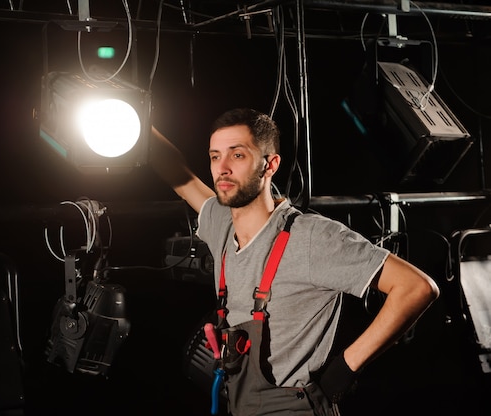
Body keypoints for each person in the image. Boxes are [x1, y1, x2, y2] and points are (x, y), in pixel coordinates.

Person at [149, 108, 440, 416]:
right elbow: (180, 177)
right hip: (242, 405)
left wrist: (344, 369)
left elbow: (416, 287)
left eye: (237, 156)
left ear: (270, 165)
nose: (222, 168)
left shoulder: (312, 237)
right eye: (214, 156)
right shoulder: (221, 223)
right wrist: (133, 112)